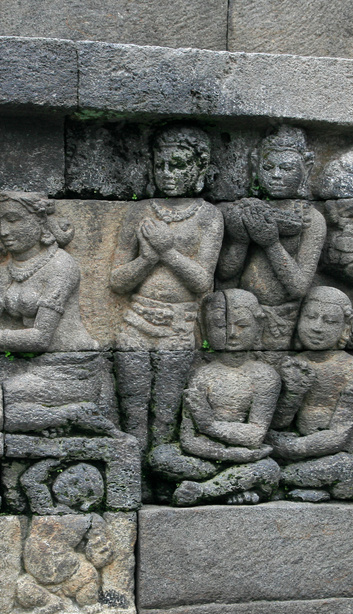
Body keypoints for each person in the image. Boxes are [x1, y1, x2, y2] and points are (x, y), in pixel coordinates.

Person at [0, 192, 120, 437]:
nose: (4, 230)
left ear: (39, 222)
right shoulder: (4, 272)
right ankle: (31, 414)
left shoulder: (61, 265)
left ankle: (75, 414)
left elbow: (41, 338)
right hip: (32, 365)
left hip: (69, 369)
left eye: (13, 220)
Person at [110, 125, 225, 454]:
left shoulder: (208, 216)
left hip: (179, 324)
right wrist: (148, 259)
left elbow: (202, 282)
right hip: (136, 321)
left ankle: (161, 464)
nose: (166, 174)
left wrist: (168, 252)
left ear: (199, 168)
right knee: (132, 405)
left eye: (177, 165)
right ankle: (131, 470)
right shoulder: (139, 211)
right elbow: (117, 281)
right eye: (160, 166)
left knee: (166, 407)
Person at [148, 289, 281, 506]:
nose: (232, 333)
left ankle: (203, 490)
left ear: (259, 327)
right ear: (205, 328)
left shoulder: (265, 376)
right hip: (221, 457)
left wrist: (209, 425)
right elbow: (188, 439)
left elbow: (256, 434)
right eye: (220, 325)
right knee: (160, 458)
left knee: (268, 469)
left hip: (245, 458)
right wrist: (233, 455)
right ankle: (230, 488)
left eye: (242, 325)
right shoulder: (202, 374)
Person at [216, 125, 326, 349]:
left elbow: (299, 286)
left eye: (286, 168)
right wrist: (240, 238)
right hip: (239, 315)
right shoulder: (248, 210)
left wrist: (271, 243)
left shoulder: (311, 219)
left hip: (283, 317)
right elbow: (226, 272)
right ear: (256, 166)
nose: (276, 175)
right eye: (268, 167)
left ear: (305, 168)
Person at [267, 287, 353, 501]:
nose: (317, 327)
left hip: (346, 460)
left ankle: (282, 480)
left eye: (330, 321)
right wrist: (293, 395)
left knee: (341, 467)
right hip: (301, 453)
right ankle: (305, 486)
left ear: (346, 328)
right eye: (310, 317)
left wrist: (291, 448)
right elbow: (279, 422)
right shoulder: (292, 365)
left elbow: (339, 435)